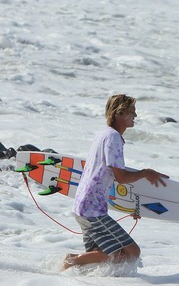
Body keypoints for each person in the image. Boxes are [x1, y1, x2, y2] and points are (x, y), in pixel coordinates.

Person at [64, 94, 168, 269]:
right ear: (119, 114)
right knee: (132, 253)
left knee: (104, 255)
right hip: (92, 209)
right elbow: (120, 178)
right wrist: (145, 173)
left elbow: (104, 176)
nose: (135, 116)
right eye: (131, 112)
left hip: (84, 204)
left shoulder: (103, 134)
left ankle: (76, 268)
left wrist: (135, 207)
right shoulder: (113, 138)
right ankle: (70, 261)